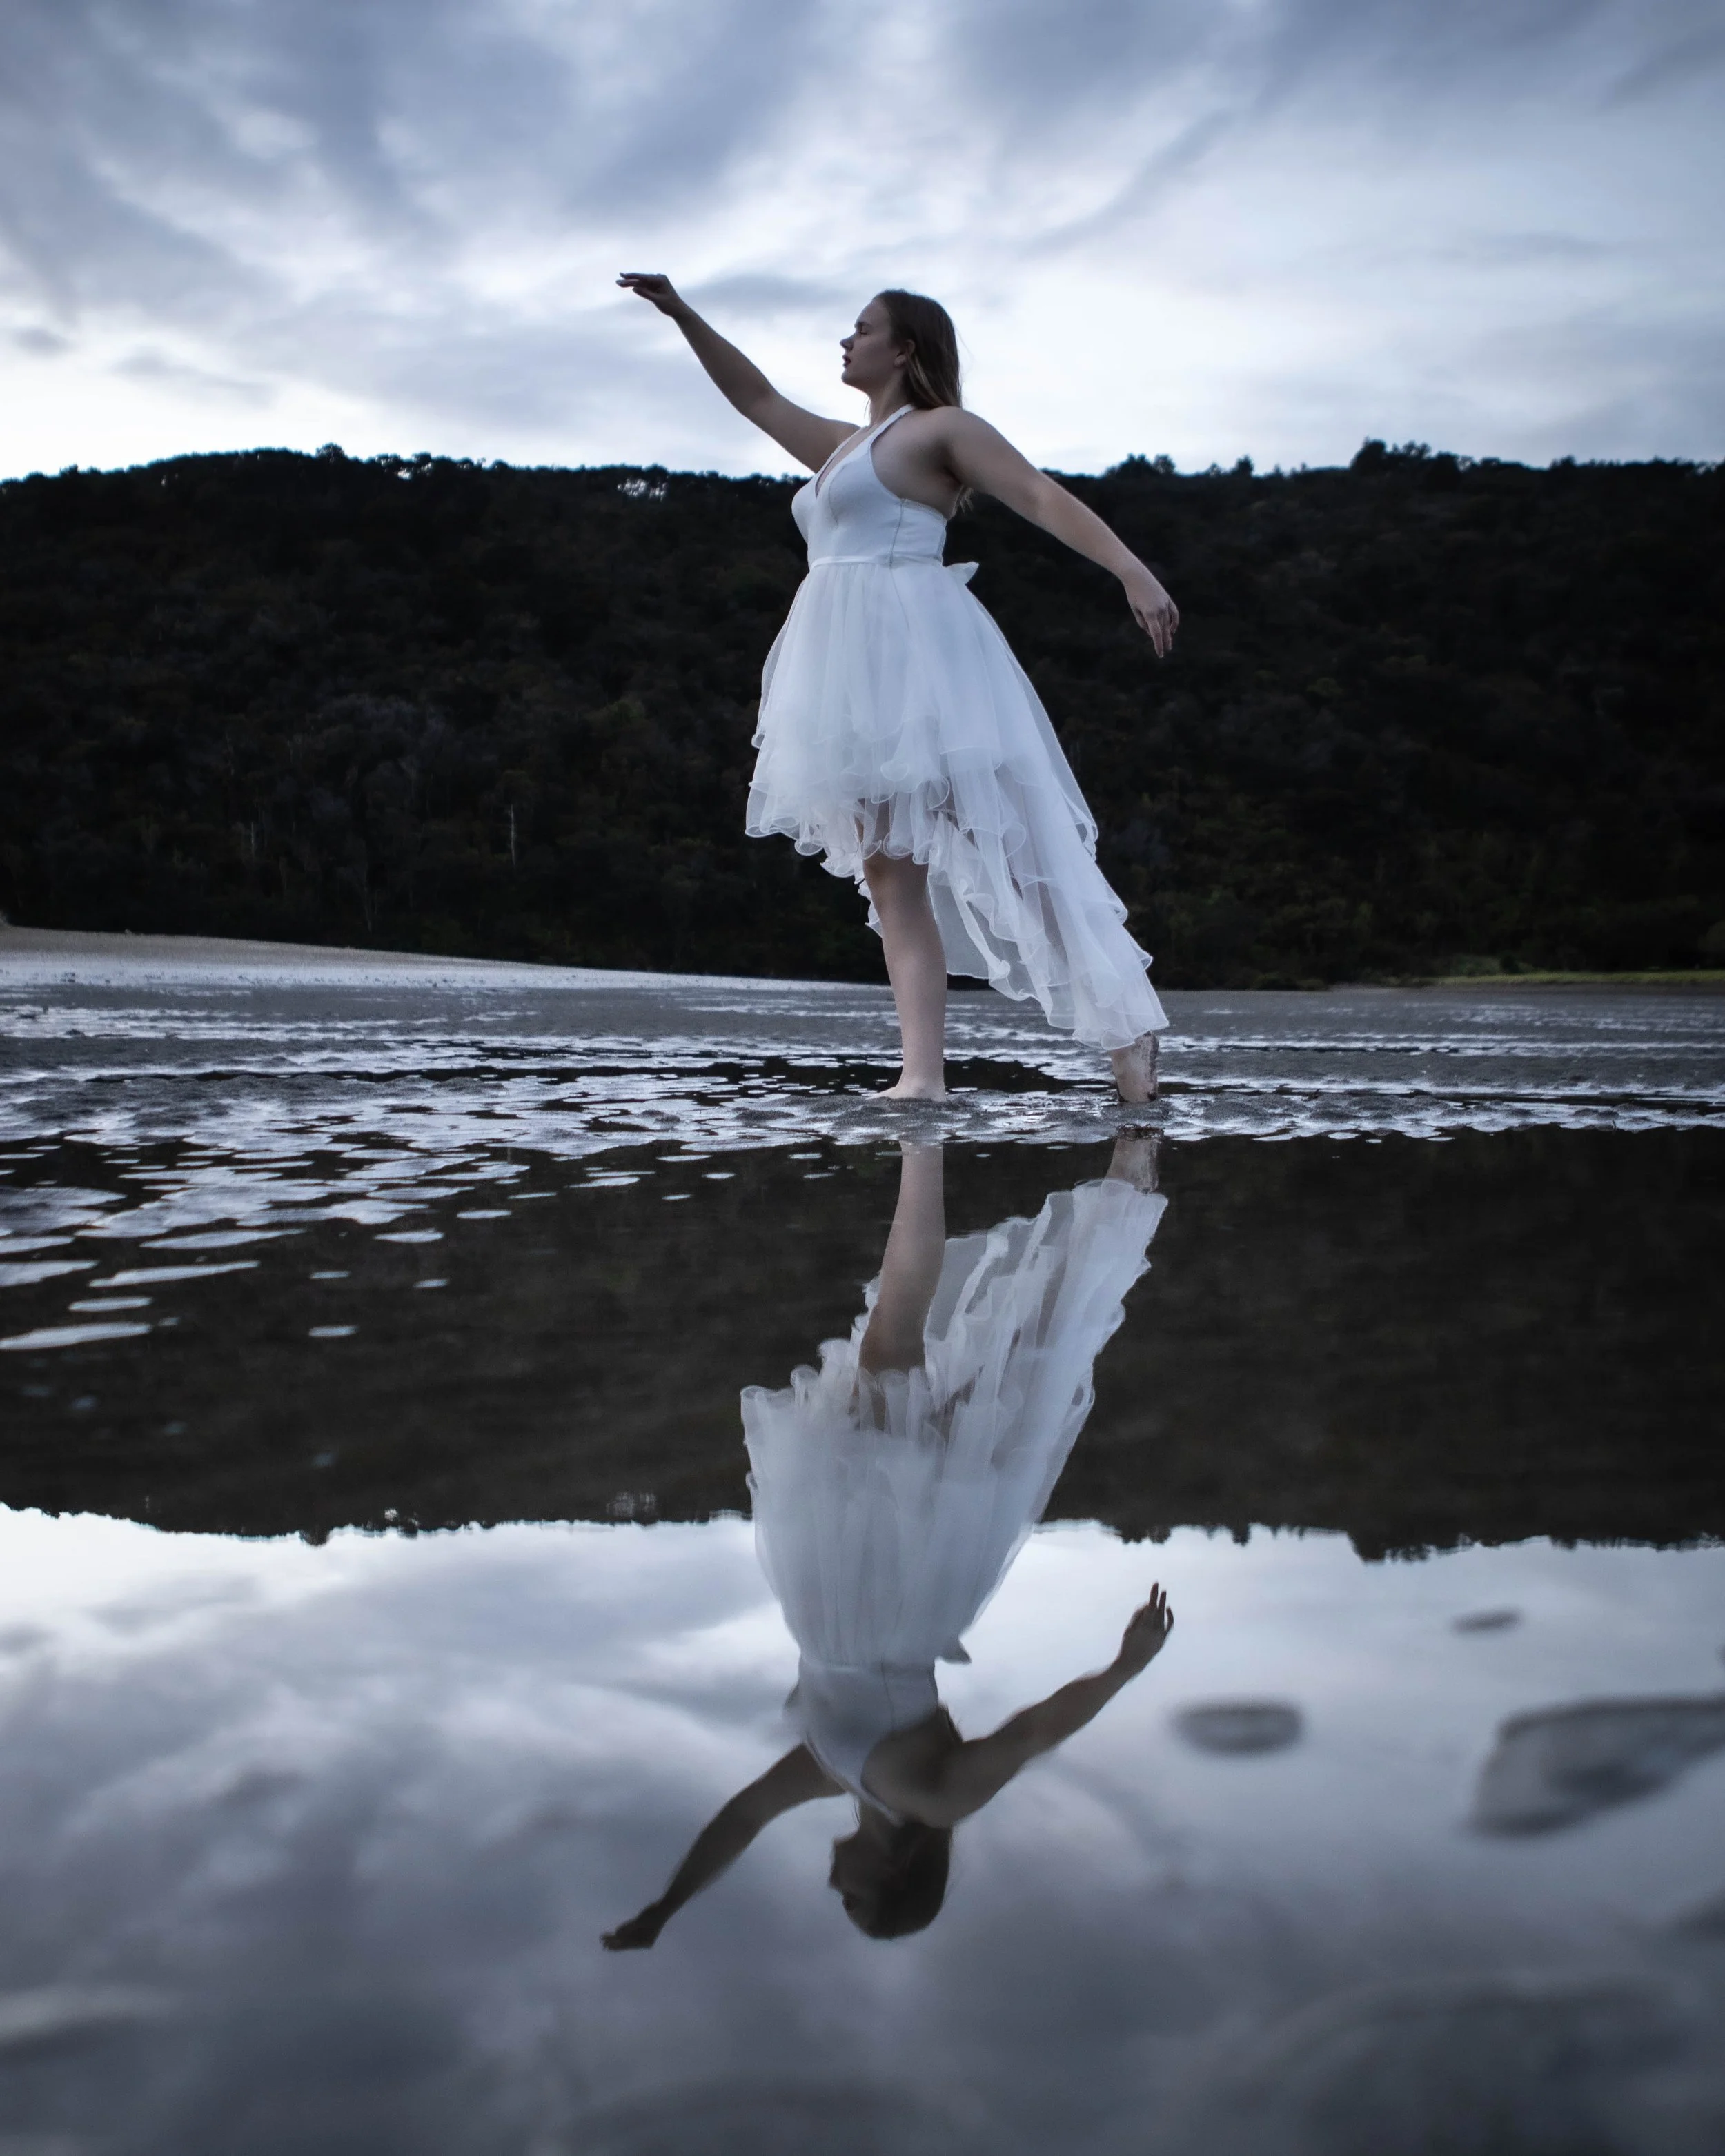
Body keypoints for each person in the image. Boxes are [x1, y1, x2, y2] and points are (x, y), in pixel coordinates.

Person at [602, 1136, 1174, 1948]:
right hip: (893, 1586)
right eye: (854, 1900)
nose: (837, 1885)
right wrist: (1124, 1666)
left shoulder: (836, 1773)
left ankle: (1122, 1175)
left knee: (998, 1363)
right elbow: (1028, 1734)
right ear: (897, 1878)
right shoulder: (934, 1800)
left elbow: (742, 1816)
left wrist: (667, 1906)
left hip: (849, 1574)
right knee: (906, 1351)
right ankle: (929, 1147)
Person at [618, 277, 1179, 1102]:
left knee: (1019, 852)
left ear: (905, 347)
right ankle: (922, 1075)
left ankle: (1127, 1031)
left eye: (862, 329)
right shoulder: (844, 446)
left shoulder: (940, 430)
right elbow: (757, 396)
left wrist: (1130, 569)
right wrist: (683, 314)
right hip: (849, 677)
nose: (845, 342)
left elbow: (1034, 492)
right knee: (890, 878)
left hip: (926, 663)